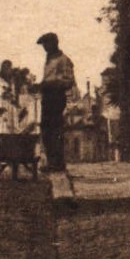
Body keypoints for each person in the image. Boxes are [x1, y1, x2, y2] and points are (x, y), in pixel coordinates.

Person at [36, 32, 76, 172]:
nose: (45, 48)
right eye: (44, 45)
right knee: (46, 130)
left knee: (54, 130)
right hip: (47, 97)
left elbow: (69, 81)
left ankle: (57, 163)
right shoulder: (49, 59)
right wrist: (41, 85)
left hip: (56, 97)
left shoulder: (63, 60)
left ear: (54, 43)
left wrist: (50, 84)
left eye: (46, 44)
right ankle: (51, 161)